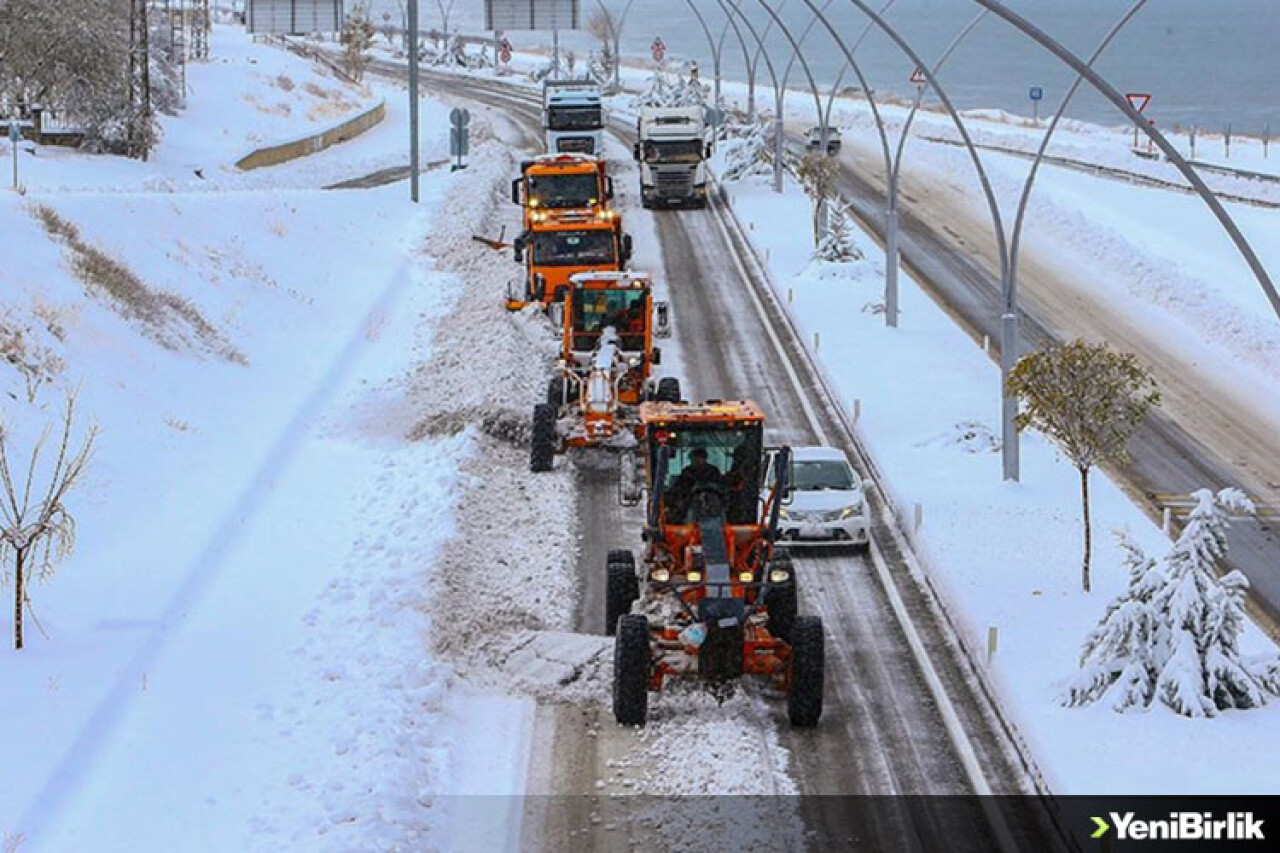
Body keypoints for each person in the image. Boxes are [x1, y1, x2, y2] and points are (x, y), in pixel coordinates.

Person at [665, 447, 722, 523]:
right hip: (689, 502)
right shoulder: (687, 472)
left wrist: (707, 488)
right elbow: (679, 488)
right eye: (694, 458)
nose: (697, 461)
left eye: (699, 458)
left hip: (712, 503)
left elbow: (720, 486)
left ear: (704, 459)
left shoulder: (713, 471)